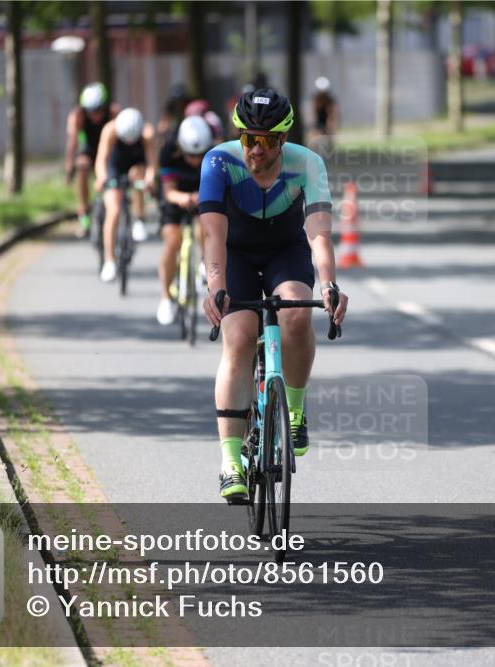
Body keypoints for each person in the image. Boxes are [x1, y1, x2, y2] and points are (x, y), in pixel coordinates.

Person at [199, 88, 349, 502]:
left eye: (265, 141)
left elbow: (318, 232)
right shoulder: (218, 161)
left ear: (283, 140)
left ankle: (295, 412)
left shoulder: (308, 163)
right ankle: (230, 460)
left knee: (297, 313)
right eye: (249, 138)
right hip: (235, 254)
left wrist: (329, 284)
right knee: (241, 336)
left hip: (286, 251)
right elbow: (213, 233)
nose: (256, 149)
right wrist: (217, 288)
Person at [156, 115, 213, 325]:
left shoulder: (214, 153)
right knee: (172, 242)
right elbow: (168, 192)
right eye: (190, 155)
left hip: (202, 196)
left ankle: (204, 266)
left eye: (199, 155)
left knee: (207, 229)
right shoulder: (168, 151)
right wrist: (185, 198)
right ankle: (165, 297)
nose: (195, 160)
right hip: (175, 197)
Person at [94, 108, 156, 283]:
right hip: (115, 164)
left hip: (136, 164)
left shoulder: (147, 133)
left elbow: (152, 163)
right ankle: (109, 260)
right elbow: (101, 159)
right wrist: (101, 178)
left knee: (138, 178)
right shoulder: (110, 130)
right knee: (113, 211)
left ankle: (140, 218)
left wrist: (150, 179)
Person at [65, 83, 120, 238]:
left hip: (109, 148)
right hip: (89, 148)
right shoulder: (77, 115)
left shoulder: (114, 112)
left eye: (99, 110)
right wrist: (69, 166)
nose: (96, 115)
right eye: (91, 111)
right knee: (81, 166)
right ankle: (84, 214)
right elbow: (73, 142)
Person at [308, 76, 339, 158]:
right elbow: (314, 113)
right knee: (313, 140)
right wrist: (314, 126)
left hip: (327, 121)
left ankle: (331, 155)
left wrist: (331, 126)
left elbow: (332, 114)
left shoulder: (330, 100)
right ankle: (312, 155)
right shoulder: (316, 99)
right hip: (318, 122)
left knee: (330, 139)